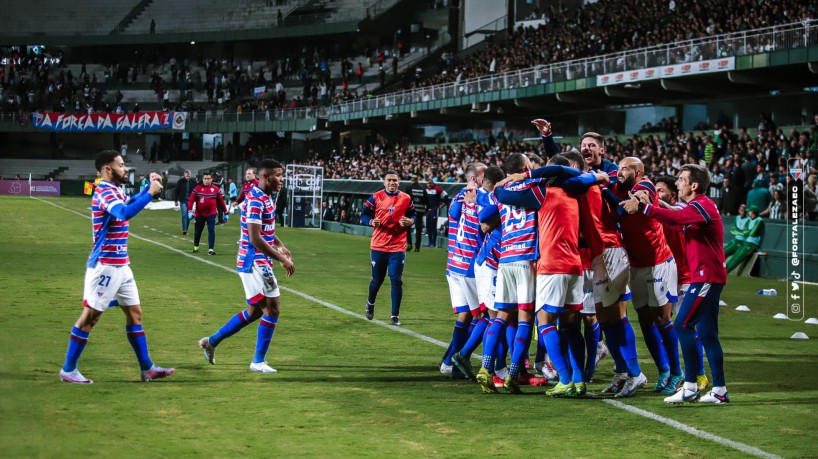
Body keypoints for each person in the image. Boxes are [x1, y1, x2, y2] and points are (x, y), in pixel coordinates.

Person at [59, 150, 174, 384]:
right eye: (121, 165)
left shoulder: (115, 190)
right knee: (90, 318)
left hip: (121, 264)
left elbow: (128, 203)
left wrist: (147, 190)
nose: (125, 169)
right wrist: (150, 194)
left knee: (135, 314)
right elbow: (123, 213)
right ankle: (68, 370)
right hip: (105, 265)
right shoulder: (103, 190)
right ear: (108, 169)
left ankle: (147, 368)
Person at [621, 164, 730, 404]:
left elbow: (678, 217)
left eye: (681, 179)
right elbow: (675, 217)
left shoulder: (703, 205)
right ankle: (720, 390)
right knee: (708, 334)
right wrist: (651, 205)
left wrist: (644, 207)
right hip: (707, 276)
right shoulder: (697, 207)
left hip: (705, 276)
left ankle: (690, 385)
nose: (677, 183)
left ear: (694, 185)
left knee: (682, 325)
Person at [198, 160, 294, 373]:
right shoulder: (255, 200)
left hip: (262, 260)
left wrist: (280, 245)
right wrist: (281, 259)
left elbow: (265, 228)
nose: (281, 179)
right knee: (272, 309)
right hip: (252, 261)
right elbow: (254, 238)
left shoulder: (267, 197)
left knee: (255, 312)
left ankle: (211, 342)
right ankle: (258, 361)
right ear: (266, 177)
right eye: (278, 175)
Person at [606, 157, 678, 395]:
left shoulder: (644, 185)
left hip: (658, 262)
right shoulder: (619, 188)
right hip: (636, 264)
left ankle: (677, 372)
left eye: (625, 169)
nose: (620, 172)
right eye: (618, 168)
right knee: (645, 320)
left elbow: (638, 200)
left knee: (662, 319)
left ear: (637, 172)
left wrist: (633, 199)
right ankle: (664, 369)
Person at [360, 171, 416, 326]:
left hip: (398, 246)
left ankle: (394, 316)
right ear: (384, 183)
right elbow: (363, 215)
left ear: (399, 182)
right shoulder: (376, 196)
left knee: (396, 280)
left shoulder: (406, 198)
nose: (392, 183)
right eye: (389, 180)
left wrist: (411, 221)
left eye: (395, 180)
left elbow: (414, 214)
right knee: (377, 280)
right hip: (379, 245)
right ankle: (370, 303)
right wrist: (371, 222)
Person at [188, 172, 227, 255]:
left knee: (211, 230)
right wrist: (189, 211)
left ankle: (211, 249)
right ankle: (196, 247)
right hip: (199, 213)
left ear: (211, 179)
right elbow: (191, 200)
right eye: (204, 178)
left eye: (208, 178)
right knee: (198, 231)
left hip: (211, 213)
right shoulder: (197, 188)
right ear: (202, 179)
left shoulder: (216, 189)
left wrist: (226, 212)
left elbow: (221, 202)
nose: (206, 180)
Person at [725, 205, 764, 272]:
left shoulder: (759, 221)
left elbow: (751, 233)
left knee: (737, 258)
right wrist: (744, 232)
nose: (748, 213)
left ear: (753, 212)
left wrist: (742, 232)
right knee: (734, 257)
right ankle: (722, 271)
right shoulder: (750, 220)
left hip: (752, 244)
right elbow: (739, 231)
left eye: (749, 211)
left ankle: (725, 272)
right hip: (746, 242)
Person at [404, 175, 428, 251]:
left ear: (411, 180)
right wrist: (426, 210)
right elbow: (427, 201)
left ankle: (409, 244)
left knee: (408, 228)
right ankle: (417, 247)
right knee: (418, 229)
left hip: (410, 211)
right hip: (420, 211)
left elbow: (404, 200)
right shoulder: (423, 189)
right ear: (418, 180)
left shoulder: (408, 188)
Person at [424, 179, 448, 247]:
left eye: (430, 183)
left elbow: (445, 195)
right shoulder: (425, 189)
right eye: (427, 184)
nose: (428, 185)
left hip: (435, 210)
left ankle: (433, 243)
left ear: (432, 183)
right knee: (428, 226)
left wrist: (443, 203)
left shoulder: (437, 189)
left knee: (433, 226)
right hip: (428, 210)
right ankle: (429, 242)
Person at [175, 170, 197, 235]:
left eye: (189, 176)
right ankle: (184, 229)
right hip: (183, 200)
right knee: (184, 214)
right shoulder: (180, 182)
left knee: (188, 216)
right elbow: (176, 191)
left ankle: (186, 229)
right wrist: (176, 200)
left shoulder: (193, 181)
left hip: (190, 201)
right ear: (184, 175)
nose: (188, 177)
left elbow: (197, 190)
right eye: (187, 176)